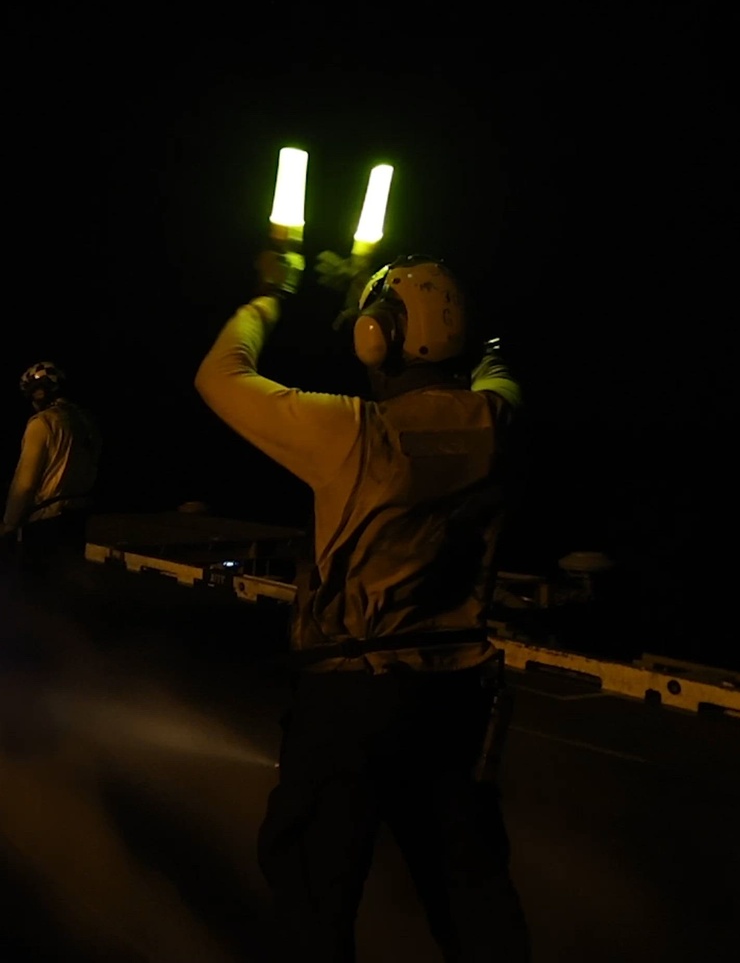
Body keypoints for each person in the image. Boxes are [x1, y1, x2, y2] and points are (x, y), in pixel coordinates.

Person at [194, 249, 531, 962]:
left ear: (374, 337)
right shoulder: (493, 422)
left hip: (351, 702)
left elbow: (219, 376)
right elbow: (498, 371)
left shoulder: (354, 432)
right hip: (453, 698)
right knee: (473, 898)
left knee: (313, 899)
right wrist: (482, 340)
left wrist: (267, 297)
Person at [2, 361, 102, 578]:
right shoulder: (87, 421)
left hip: (46, 520)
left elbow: (25, 483)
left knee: (36, 591)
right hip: (79, 515)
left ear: (38, 394)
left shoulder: (43, 423)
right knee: (68, 586)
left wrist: (10, 524)